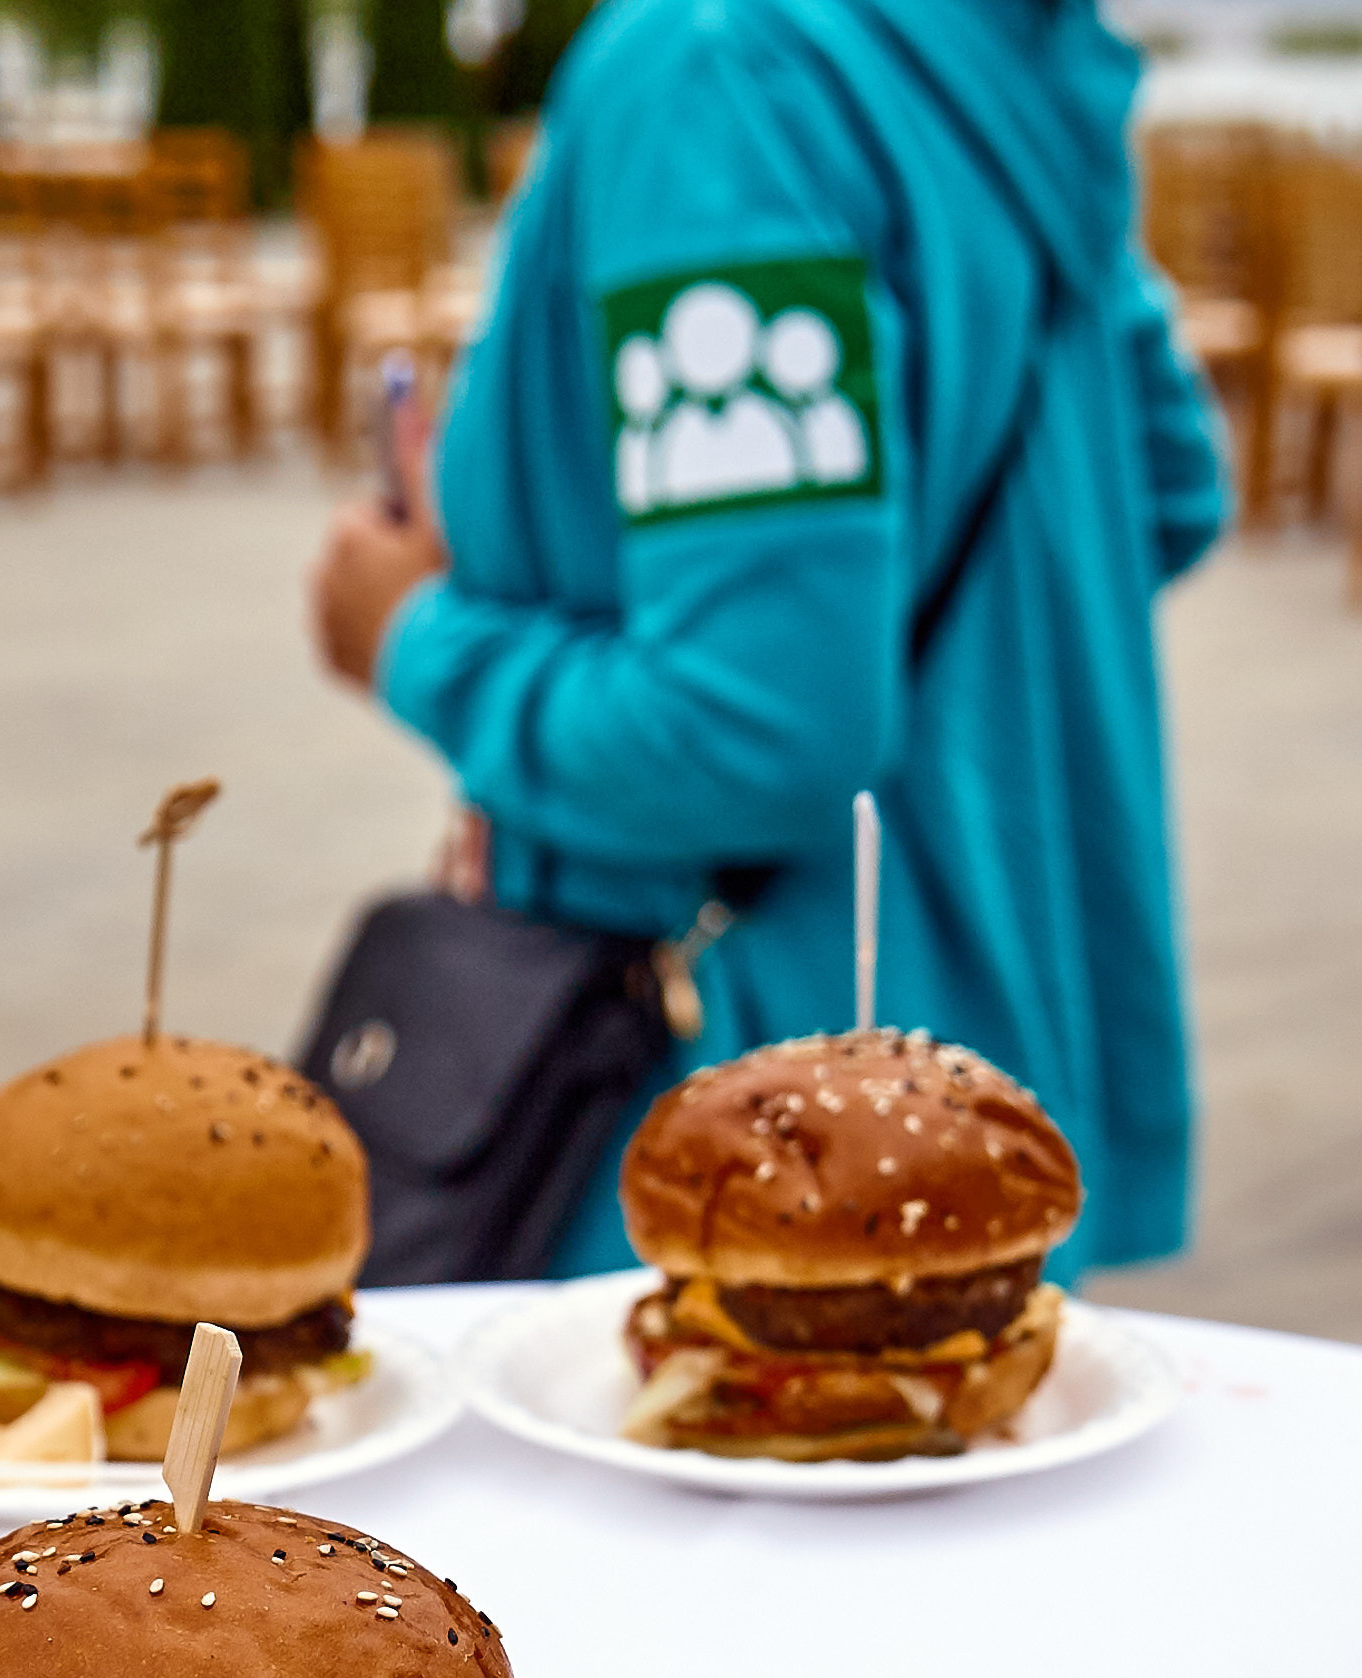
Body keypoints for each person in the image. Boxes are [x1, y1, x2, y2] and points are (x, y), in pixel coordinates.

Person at [310, 0, 1228, 1281]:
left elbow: (751, 729)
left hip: (747, 1137)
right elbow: (1169, 491)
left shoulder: (719, 69)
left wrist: (411, 639)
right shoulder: (1007, 52)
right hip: (983, 1063)